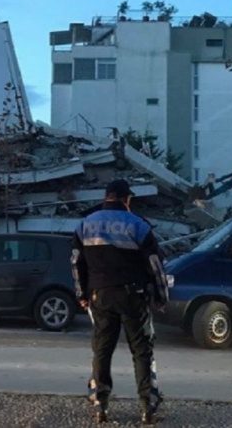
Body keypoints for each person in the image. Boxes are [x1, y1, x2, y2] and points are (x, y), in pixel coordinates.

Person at [72, 179, 170, 425]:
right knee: (141, 350)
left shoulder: (86, 225)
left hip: (100, 295)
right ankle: (147, 405)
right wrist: (160, 296)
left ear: (106, 197)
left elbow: (76, 263)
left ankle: (100, 403)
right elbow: (155, 265)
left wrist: (82, 294)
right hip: (133, 296)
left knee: (102, 349)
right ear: (127, 199)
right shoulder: (138, 225)